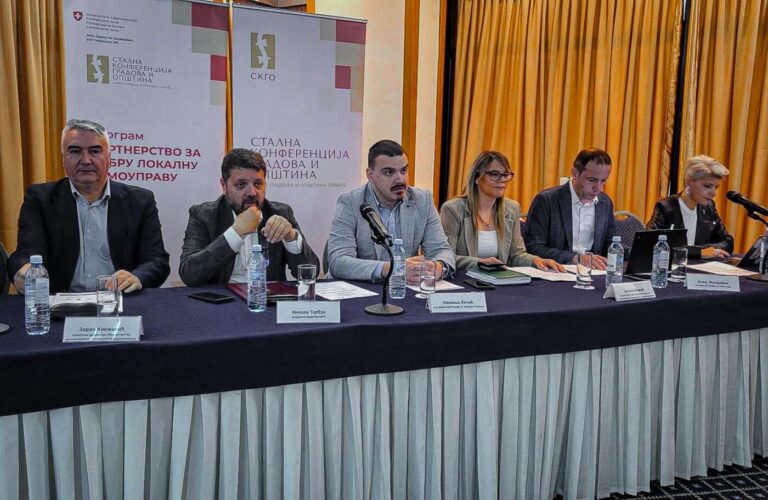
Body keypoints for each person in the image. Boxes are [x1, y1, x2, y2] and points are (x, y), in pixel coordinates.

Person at [8, 119, 170, 294]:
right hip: (60, 302)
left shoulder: (140, 201)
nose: (86, 160)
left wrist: (137, 277)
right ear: (63, 159)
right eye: (75, 151)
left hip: (120, 301)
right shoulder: (41, 199)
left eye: (95, 151)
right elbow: (27, 253)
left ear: (109, 158)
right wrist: (25, 271)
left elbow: (156, 260)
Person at [179, 148, 319, 285]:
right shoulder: (204, 215)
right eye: (241, 185)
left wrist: (291, 237)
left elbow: (311, 273)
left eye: (258, 184)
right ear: (224, 186)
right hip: (223, 298)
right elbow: (189, 274)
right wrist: (236, 233)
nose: (252, 192)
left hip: (266, 297)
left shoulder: (280, 212)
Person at [327, 139, 455, 282]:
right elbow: (338, 261)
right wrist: (391, 269)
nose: (400, 179)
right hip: (360, 288)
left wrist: (437, 267)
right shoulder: (350, 202)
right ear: (370, 175)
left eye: (403, 171)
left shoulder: (422, 200)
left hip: (404, 288)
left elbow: (442, 250)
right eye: (389, 172)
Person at [440, 151, 565, 273]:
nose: (502, 180)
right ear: (477, 177)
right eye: (495, 174)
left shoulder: (512, 208)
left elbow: (516, 255)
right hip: (463, 278)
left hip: (498, 279)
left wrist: (536, 260)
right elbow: (445, 256)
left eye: (506, 174)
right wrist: (479, 263)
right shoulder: (453, 209)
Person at [523, 148, 618, 269]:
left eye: (603, 181)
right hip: (557, 270)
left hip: (593, 272)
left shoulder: (605, 203)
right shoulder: (546, 200)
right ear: (575, 173)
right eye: (592, 180)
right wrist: (574, 258)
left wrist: (635, 252)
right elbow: (533, 247)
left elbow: (610, 244)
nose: (598, 188)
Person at [646, 155, 733, 260]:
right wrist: (697, 252)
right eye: (707, 186)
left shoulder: (709, 208)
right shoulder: (666, 207)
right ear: (688, 182)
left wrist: (701, 250)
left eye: (716, 187)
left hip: (699, 268)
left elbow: (727, 242)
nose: (713, 193)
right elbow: (649, 245)